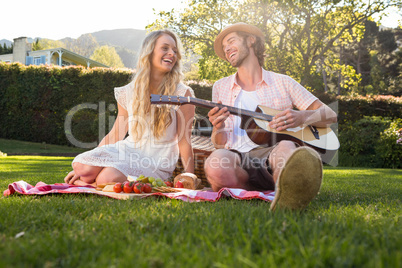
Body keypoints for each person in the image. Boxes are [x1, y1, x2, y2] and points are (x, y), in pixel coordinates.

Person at [204, 23, 337, 211]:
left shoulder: (283, 82)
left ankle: (285, 191)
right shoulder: (220, 87)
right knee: (215, 163)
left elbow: (330, 115)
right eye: (224, 48)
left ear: (251, 40)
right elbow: (219, 144)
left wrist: (302, 116)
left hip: (273, 154)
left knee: (286, 147)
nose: (226, 49)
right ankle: (272, 191)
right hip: (237, 158)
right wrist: (218, 127)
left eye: (231, 41)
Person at [64, 29, 195, 186]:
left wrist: (190, 176)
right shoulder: (128, 91)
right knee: (81, 165)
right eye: (165, 48)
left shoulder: (182, 93)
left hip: (155, 162)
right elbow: (116, 134)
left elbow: (184, 140)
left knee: (107, 179)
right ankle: (89, 180)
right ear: (149, 52)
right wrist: (94, 161)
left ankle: (88, 184)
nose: (172, 54)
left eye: (175, 50)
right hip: (128, 150)